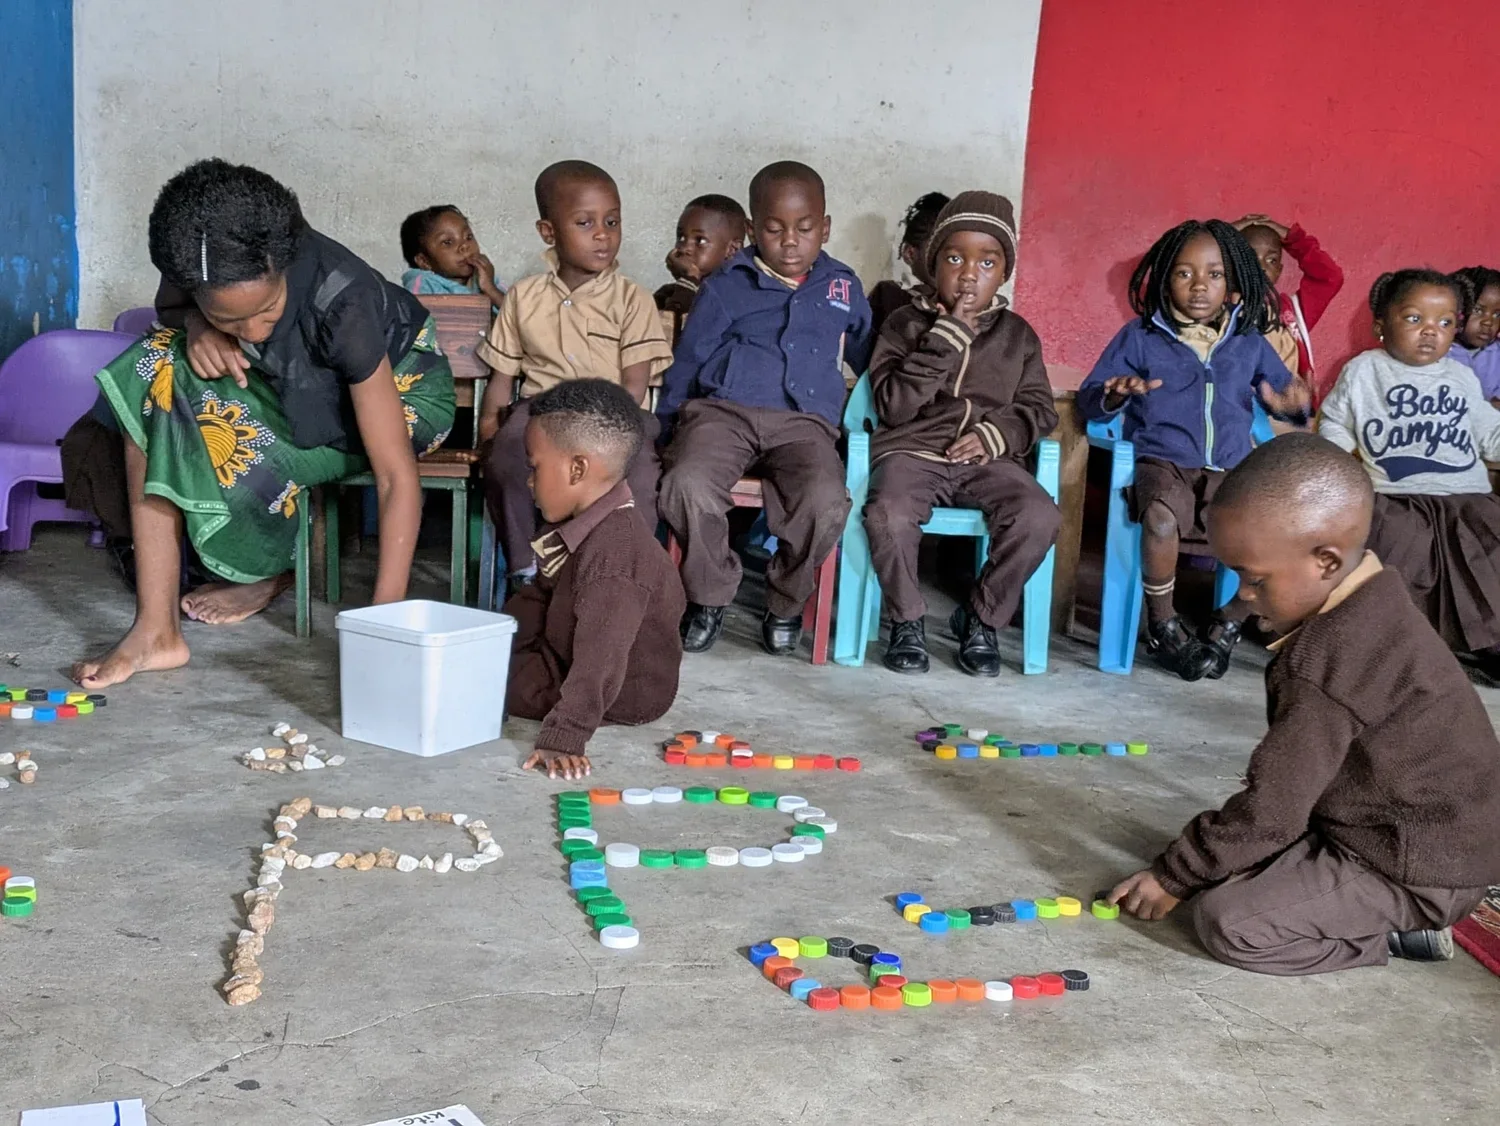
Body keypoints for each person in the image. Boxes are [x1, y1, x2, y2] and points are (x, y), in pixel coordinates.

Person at [1108, 433, 1500, 974]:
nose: (1243, 595)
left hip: (1419, 871)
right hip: (1406, 836)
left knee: (1230, 921)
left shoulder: (1330, 660)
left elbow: (1274, 808)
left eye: (1255, 578)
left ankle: (1396, 935)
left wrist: (1176, 876)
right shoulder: (1374, 597)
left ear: (1325, 562)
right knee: (1233, 860)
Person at [66, 158, 455, 688]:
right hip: (288, 381)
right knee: (152, 366)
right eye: (232, 318)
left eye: (268, 308)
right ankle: (156, 631)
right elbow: (174, 310)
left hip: (405, 393)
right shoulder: (200, 253)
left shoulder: (345, 302)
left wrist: (380, 628)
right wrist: (200, 326)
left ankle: (269, 572)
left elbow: (394, 474)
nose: (252, 327)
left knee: (248, 450)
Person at [655, 160, 874, 656]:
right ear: (754, 231)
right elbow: (688, 360)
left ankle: (786, 601)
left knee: (825, 501)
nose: (790, 241)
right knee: (686, 485)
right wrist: (668, 428)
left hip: (804, 427)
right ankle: (709, 596)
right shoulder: (726, 285)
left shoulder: (842, 287)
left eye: (805, 228)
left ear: (826, 227)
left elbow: (870, 356)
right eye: (775, 230)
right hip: (723, 415)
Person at [1077, 219, 1309, 681]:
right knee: (1161, 518)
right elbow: (1090, 402)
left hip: (1232, 470)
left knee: (1280, 531)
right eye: (1184, 273)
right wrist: (1116, 393)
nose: (1199, 285)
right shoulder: (1139, 337)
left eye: (1214, 274)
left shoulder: (1247, 343)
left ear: (1233, 284)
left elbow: (1290, 404)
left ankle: (1228, 622)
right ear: (1163, 279)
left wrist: (1294, 403)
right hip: (1163, 461)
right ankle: (1163, 624)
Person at [862, 191, 1059, 676]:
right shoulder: (903, 324)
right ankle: (907, 620)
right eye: (954, 258)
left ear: (1004, 272)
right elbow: (893, 404)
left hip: (987, 460)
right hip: (911, 454)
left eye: (987, 262)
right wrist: (945, 339)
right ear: (932, 262)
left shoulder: (1018, 336)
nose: (969, 274)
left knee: (1039, 516)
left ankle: (981, 617)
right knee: (888, 515)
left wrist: (996, 435)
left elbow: (1039, 408)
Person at [475, 161, 673, 591]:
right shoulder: (523, 297)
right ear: (548, 232)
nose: (602, 233)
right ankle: (525, 571)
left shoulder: (632, 299)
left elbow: (635, 382)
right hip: (540, 411)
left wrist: (610, 428)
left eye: (611, 221)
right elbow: (502, 377)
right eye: (585, 223)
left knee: (638, 472)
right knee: (506, 459)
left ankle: (623, 576)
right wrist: (489, 427)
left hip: (614, 413)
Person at [1317, 269, 1500, 667]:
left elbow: (1488, 430)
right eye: (1415, 319)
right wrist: (1333, 461)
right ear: (1381, 325)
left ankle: (1486, 640)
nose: (1431, 332)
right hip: (1397, 495)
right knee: (1400, 548)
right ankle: (1397, 643)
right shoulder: (1365, 371)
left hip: (1465, 494)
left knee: (1487, 546)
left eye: (1445, 322)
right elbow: (1335, 422)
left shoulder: (1461, 377)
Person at [506, 379, 686, 781]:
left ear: (577, 468)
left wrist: (564, 737)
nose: (530, 482)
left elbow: (601, 657)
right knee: (479, 658)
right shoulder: (591, 522)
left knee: (482, 683)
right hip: (565, 651)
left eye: (534, 468)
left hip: (620, 692)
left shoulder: (614, 557)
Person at [1233, 214, 1344, 403]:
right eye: (1250, 258)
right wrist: (1222, 235)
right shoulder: (1217, 309)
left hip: (1287, 412)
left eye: (1271, 260)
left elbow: (1329, 277)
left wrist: (1295, 240)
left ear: (1280, 270)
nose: (1261, 267)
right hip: (1237, 413)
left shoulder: (1292, 312)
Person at [655, 194, 747, 345]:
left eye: (700, 241)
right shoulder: (668, 294)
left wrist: (689, 281)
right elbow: (661, 344)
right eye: (681, 237)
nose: (685, 248)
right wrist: (687, 283)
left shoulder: (737, 298)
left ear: (732, 250)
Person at [867, 191, 950, 336]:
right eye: (938, 251)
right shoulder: (888, 298)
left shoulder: (973, 308)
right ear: (910, 254)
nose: (948, 261)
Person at [398, 205, 506, 307]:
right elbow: (413, 320)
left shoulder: (487, 278)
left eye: (468, 237)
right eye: (448, 242)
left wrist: (491, 290)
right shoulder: (422, 284)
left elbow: (518, 319)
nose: (464, 246)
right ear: (424, 261)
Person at [1446, 265, 1500, 403]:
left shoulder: (1497, 354)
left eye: (1497, 314)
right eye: (1477, 310)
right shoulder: (1438, 353)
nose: (1488, 322)